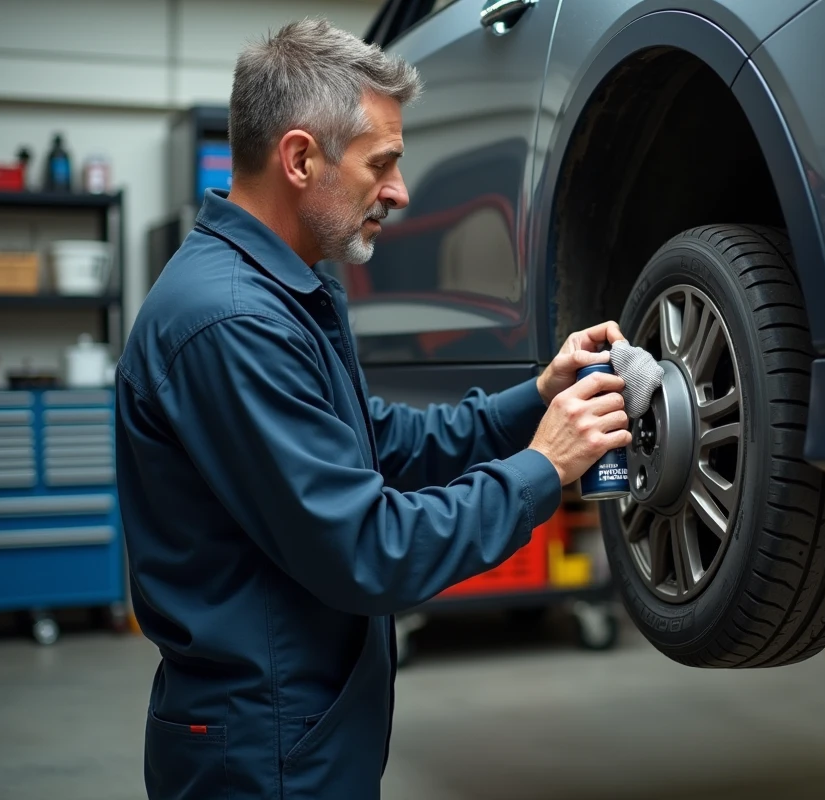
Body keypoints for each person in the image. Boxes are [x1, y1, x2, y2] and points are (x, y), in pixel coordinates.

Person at [115, 17, 632, 800]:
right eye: (382, 163)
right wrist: (543, 467)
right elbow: (370, 550)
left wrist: (537, 400)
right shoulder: (231, 323)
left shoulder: (293, 283)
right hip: (264, 753)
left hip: (300, 722)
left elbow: (380, 443)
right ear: (299, 158)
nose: (400, 191)